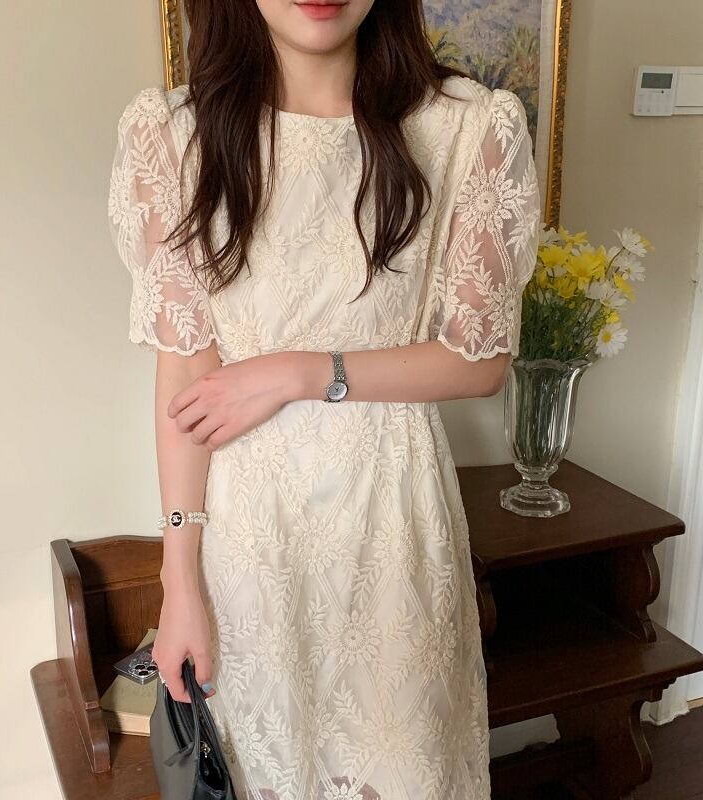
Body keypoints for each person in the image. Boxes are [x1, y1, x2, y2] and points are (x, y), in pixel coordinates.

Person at [107, 1, 541, 797]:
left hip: (393, 527)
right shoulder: (171, 137)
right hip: (249, 541)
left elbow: (479, 361)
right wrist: (180, 584)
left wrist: (301, 372)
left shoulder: (468, 126)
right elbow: (186, 383)